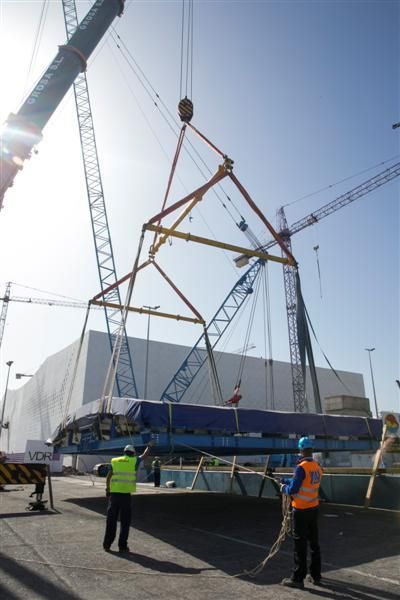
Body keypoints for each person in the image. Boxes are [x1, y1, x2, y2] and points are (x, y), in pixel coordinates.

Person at [279, 436, 323, 589]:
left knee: (300, 545)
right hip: (313, 508)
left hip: (301, 511)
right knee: (314, 544)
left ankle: (298, 578)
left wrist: (284, 488)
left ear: (301, 450)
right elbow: (304, 483)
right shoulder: (317, 466)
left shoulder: (301, 467)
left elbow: (294, 490)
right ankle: (316, 576)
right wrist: (285, 480)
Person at [103, 442, 152, 553]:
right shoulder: (134, 460)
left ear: (124, 452)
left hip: (114, 495)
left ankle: (107, 545)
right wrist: (149, 446)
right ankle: (122, 546)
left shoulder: (114, 461)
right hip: (125, 497)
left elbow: (108, 476)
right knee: (125, 522)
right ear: (133, 453)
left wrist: (107, 489)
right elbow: (144, 455)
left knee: (111, 521)